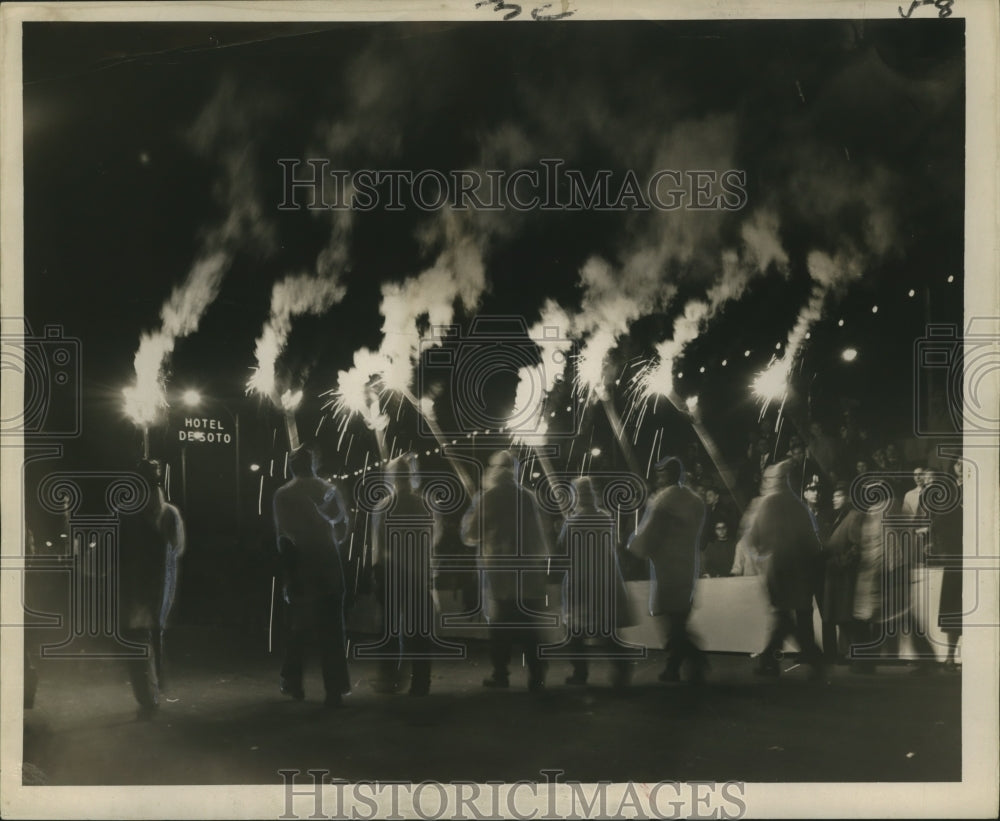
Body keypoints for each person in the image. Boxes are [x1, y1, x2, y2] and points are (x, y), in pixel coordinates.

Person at [461, 451, 552, 692]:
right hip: (529, 572)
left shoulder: (488, 497)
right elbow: (540, 537)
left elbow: (470, 535)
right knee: (530, 626)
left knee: (501, 627)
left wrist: (473, 513)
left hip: (502, 574)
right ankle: (537, 675)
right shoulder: (527, 496)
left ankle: (501, 674)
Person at [272, 446, 351, 707]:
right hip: (328, 566)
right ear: (313, 463)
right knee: (332, 631)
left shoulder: (283, 494)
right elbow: (342, 529)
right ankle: (335, 689)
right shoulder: (328, 490)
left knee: (299, 630)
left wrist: (288, 575)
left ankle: (293, 683)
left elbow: (283, 538)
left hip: (301, 569)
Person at [628, 456, 707, 684]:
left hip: (668, 566)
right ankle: (675, 667)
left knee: (671, 620)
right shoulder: (693, 500)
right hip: (687, 563)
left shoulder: (663, 501)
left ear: (670, 474)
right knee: (679, 617)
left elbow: (651, 533)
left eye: (662, 474)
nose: (658, 478)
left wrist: (634, 547)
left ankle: (695, 659)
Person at [117, 459, 185, 717]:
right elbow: (176, 546)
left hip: (133, 581)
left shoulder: (125, 511)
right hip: (160, 580)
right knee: (155, 633)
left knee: (136, 637)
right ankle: (155, 687)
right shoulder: (169, 512)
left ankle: (147, 692)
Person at [744, 461, 824, 679]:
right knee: (783, 617)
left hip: (777, 570)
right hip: (800, 572)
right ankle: (772, 660)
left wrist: (762, 554)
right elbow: (812, 544)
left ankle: (801, 657)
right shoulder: (799, 507)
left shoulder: (764, 505)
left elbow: (752, 540)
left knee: (782, 616)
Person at [558, 477, 635, 688]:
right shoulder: (605, 518)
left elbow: (564, 550)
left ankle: (580, 673)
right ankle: (622, 668)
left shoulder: (573, 522)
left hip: (581, 582)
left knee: (575, 632)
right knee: (605, 630)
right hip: (604, 581)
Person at [370, 455, 436, 696]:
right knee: (418, 631)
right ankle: (421, 681)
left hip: (392, 574)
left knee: (389, 630)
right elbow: (430, 540)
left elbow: (379, 544)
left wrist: (377, 572)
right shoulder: (423, 504)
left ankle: (391, 678)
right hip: (416, 574)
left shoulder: (384, 506)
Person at [821, 483, 862, 664]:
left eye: (838, 496)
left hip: (844, 575)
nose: (834, 499)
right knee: (841, 615)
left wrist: (841, 562)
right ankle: (846, 652)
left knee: (846, 615)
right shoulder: (839, 517)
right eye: (834, 496)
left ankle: (854, 653)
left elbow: (857, 546)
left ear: (847, 498)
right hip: (835, 574)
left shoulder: (853, 516)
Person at [927, 462, 963, 671]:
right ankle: (950, 656)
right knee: (951, 610)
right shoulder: (947, 499)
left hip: (967, 558)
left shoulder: (979, 488)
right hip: (954, 559)